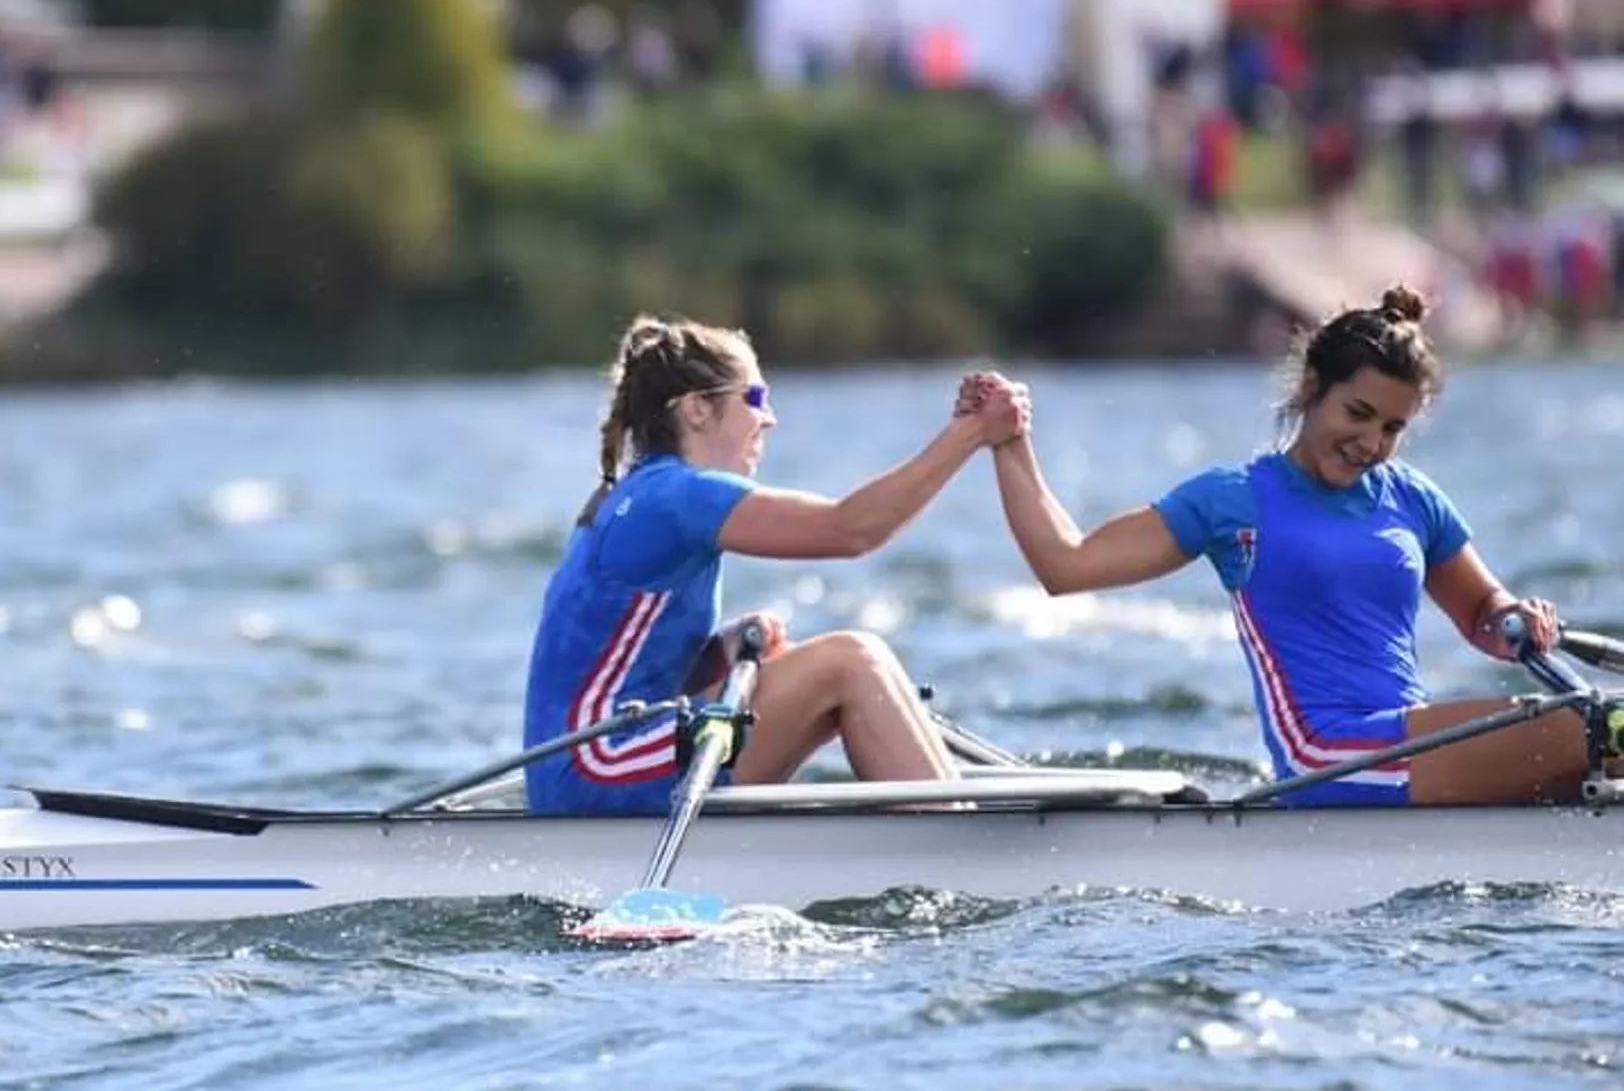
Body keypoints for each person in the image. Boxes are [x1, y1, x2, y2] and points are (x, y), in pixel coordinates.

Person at [958, 284, 1575, 807]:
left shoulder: (1411, 496)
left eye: (1392, 427)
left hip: (1406, 746)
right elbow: (1065, 564)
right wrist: (1010, 442)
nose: (1371, 443)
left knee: (1603, 739)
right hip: (1325, 758)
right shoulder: (1234, 500)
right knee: (1584, 730)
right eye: (1357, 413)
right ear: (1312, 387)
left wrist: (1515, 618)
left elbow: (1483, 614)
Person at [522, 314, 1027, 817]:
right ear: (697, 409)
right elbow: (851, 529)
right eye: (755, 397)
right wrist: (970, 434)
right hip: (598, 766)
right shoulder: (678, 495)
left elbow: (625, 671)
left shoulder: (637, 494)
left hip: (582, 764)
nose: (769, 418)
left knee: (833, 670)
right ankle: (953, 839)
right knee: (851, 661)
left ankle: (945, 816)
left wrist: (718, 652)